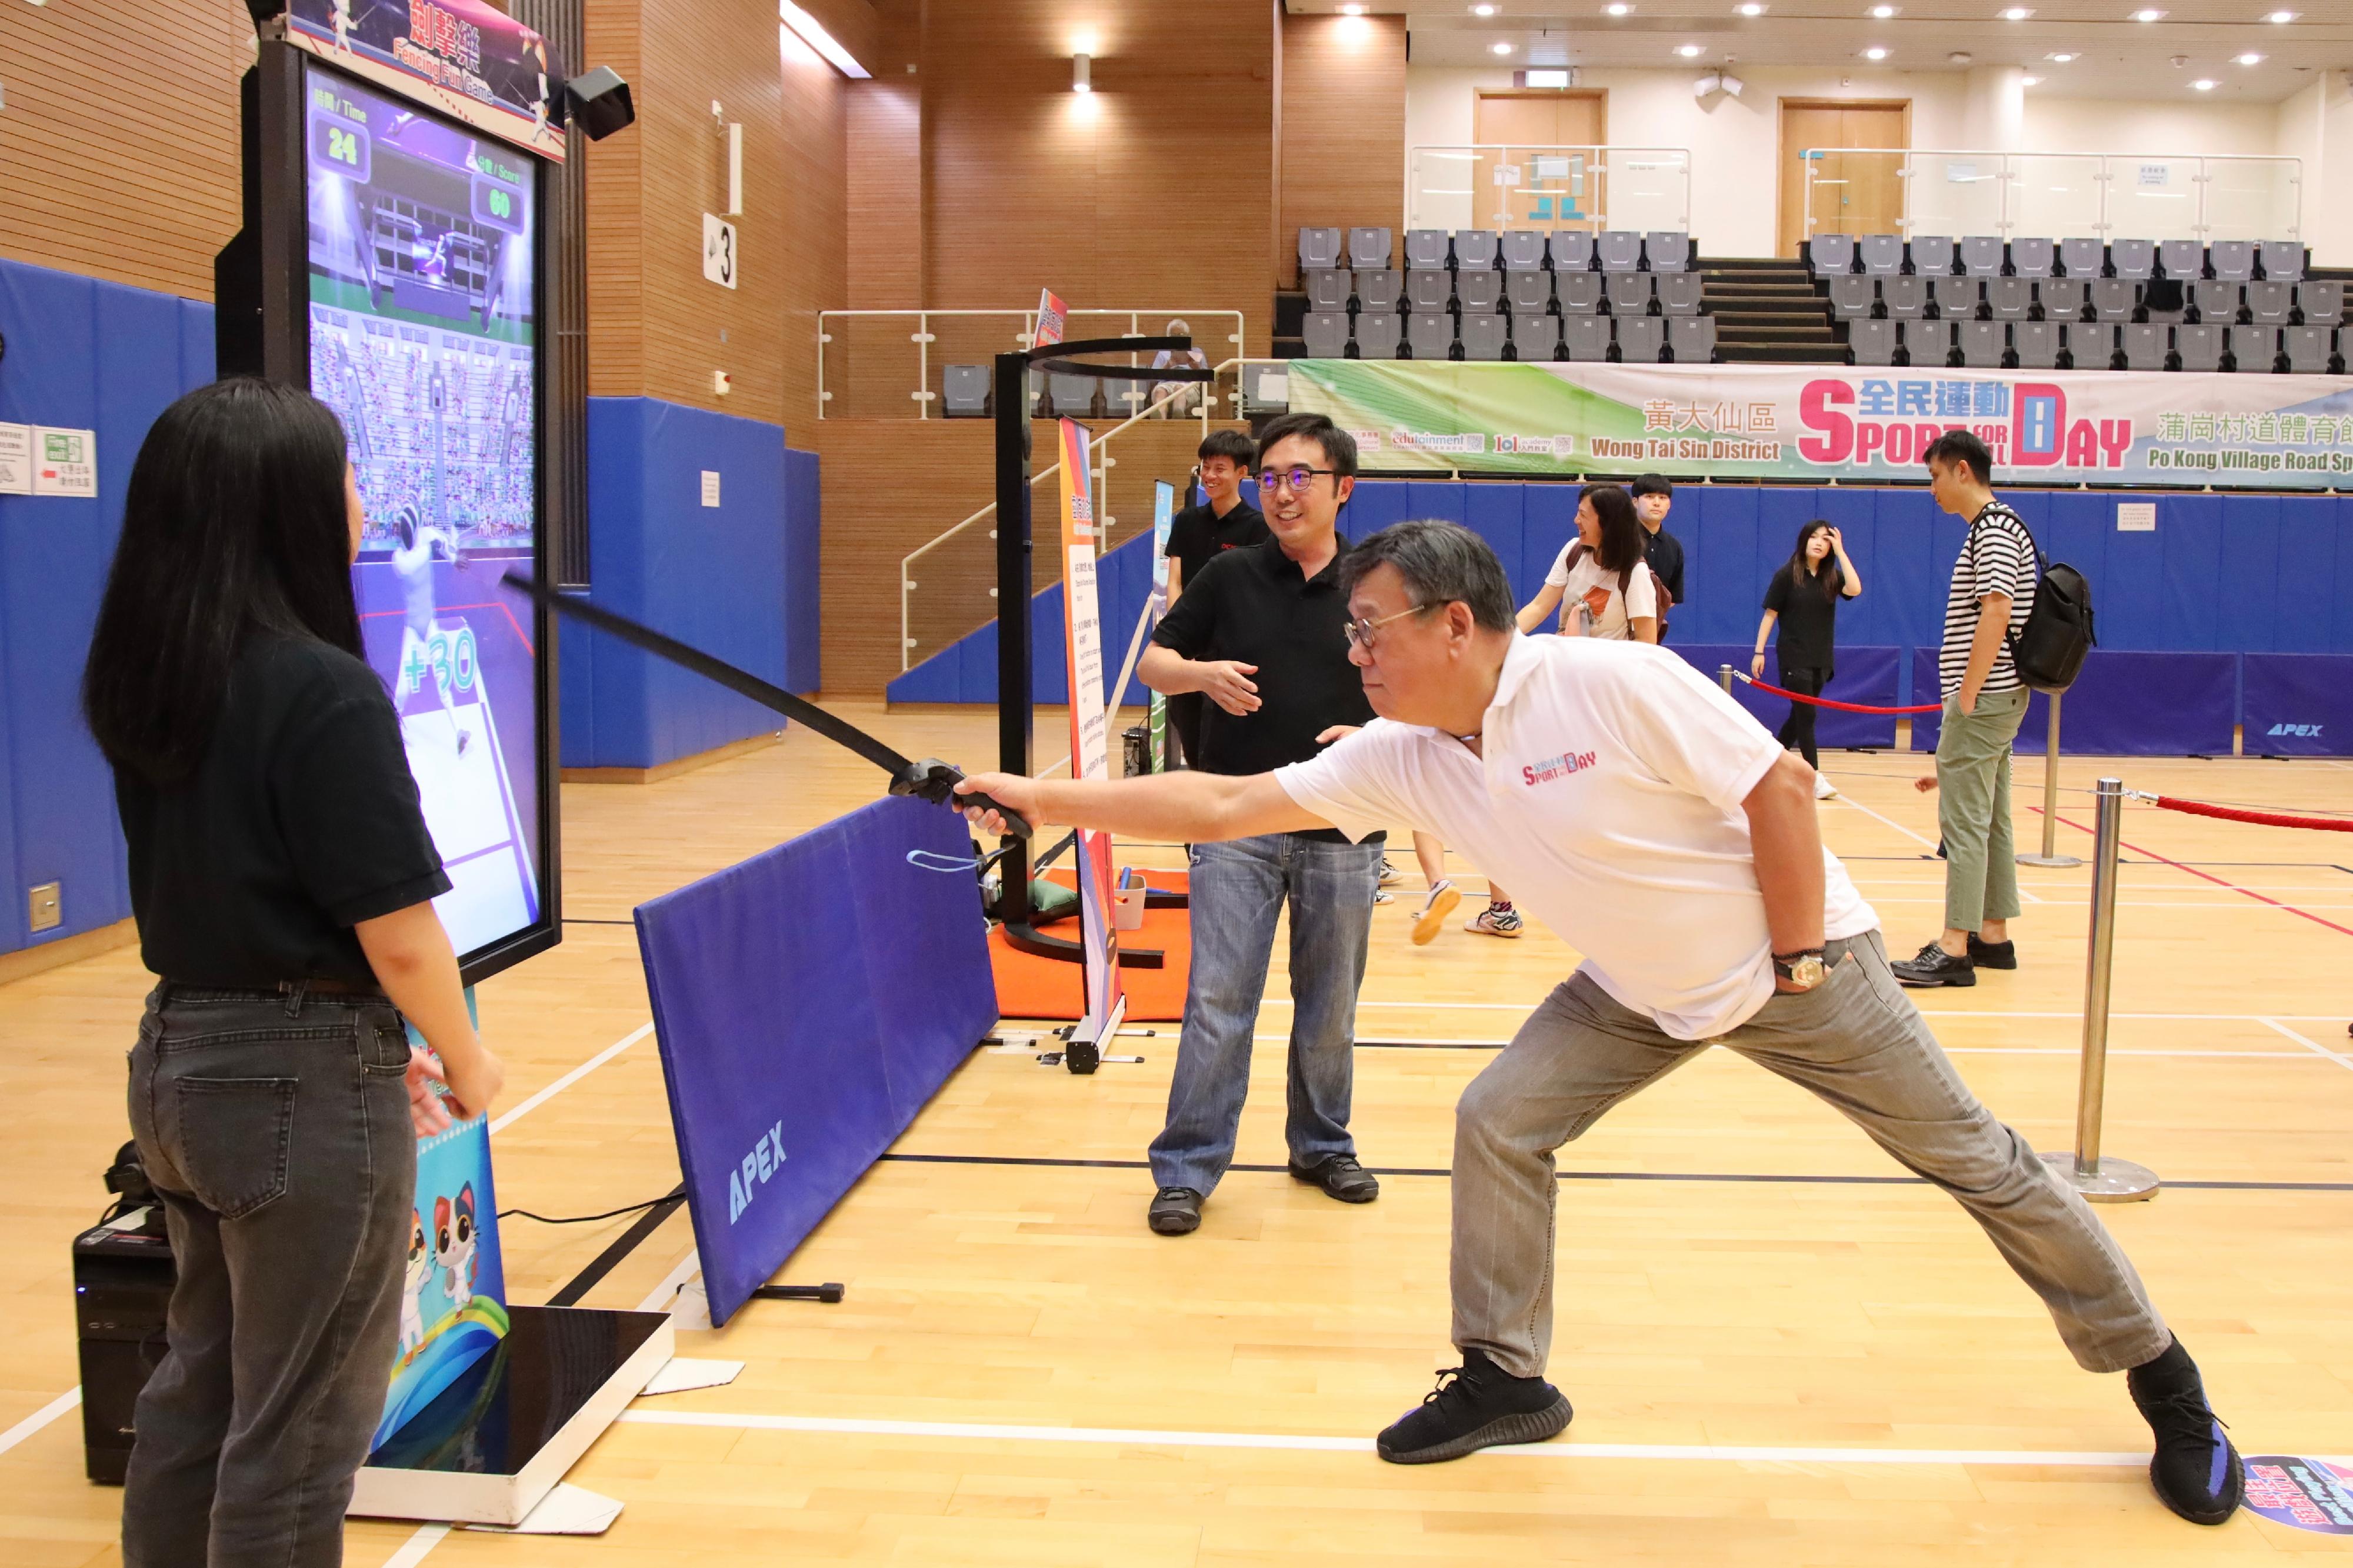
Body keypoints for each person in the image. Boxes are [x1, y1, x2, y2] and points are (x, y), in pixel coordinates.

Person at [950, 518, 2244, 1529]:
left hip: (1800, 969)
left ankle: (2165, 1382)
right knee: (1498, 1118)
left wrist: (1794, 960)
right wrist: (1028, 791)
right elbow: (1221, 808)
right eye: (1349, 637)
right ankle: (1508, 1377)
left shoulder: (1606, 682)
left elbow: (1781, 790)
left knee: (1978, 1160)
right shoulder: (1397, 752)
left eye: (1370, 632)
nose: (1353, 655)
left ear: (1454, 624)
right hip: (1636, 987)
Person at [82, 379, 506, 1567]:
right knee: (298, 1433)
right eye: (349, 479)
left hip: (176, 1064)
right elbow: (401, 931)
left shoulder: (154, 672)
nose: (363, 503)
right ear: (292, 510)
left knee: (200, 1394)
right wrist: (466, 1058)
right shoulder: (318, 684)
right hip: (294, 1089)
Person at [1134, 412, 1384, 1237]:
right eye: (1270, 476)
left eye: (1299, 476)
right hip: (1235, 822)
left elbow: (1427, 685)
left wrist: (1385, 735)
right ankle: (1187, 1167)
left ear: (1342, 487)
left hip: (1344, 828)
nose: (1281, 492)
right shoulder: (1229, 574)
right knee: (1216, 1000)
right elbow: (1155, 662)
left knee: (1329, 1006)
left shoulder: (1382, 581)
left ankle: (1321, 1144)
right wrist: (1201, 675)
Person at [1891, 430, 2035, 988]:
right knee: (1993, 818)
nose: (1932, 489)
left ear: (1962, 472)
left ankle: (1954, 947)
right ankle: (1992, 936)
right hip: (2002, 694)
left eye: (1934, 477)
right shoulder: (2004, 525)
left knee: (1964, 822)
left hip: (1987, 694)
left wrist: (1968, 694)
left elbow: (1996, 608)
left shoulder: (1994, 530)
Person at [1161, 429, 1267, 769]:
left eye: (1219, 468)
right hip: (1189, 653)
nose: (1209, 476)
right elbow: (1174, 580)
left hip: (1233, 653)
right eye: (1205, 467)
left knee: (1230, 744)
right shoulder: (1187, 520)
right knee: (1191, 741)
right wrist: (1181, 640)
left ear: (1241, 473)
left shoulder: (1259, 527)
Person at [1752, 520, 1862, 801]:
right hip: (1793, 656)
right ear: (1803, 541)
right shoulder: (1787, 575)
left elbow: (1855, 588)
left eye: (1825, 540)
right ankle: (1813, 777)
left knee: (1798, 717)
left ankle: (1763, 767)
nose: (1819, 543)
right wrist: (1759, 651)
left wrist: (1841, 551)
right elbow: (1770, 615)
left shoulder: (1831, 577)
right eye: (1814, 537)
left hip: (1821, 659)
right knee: (1808, 716)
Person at [389, 502, 472, 755]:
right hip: (413, 630)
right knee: (403, 688)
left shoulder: (423, 541)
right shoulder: (401, 559)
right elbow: (430, 548)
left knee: (442, 679)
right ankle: (392, 731)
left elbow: (441, 542)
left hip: (429, 625)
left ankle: (459, 731)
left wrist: (453, 554)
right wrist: (449, 550)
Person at [1631, 473, 1685, 638]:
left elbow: (1672, 597)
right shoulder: (1621, 540)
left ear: (1669, 504)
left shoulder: (1674, 547)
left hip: (1653, 631)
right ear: (1635, 502)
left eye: (1662, 498)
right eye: (1649, 496)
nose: (1656, 503)